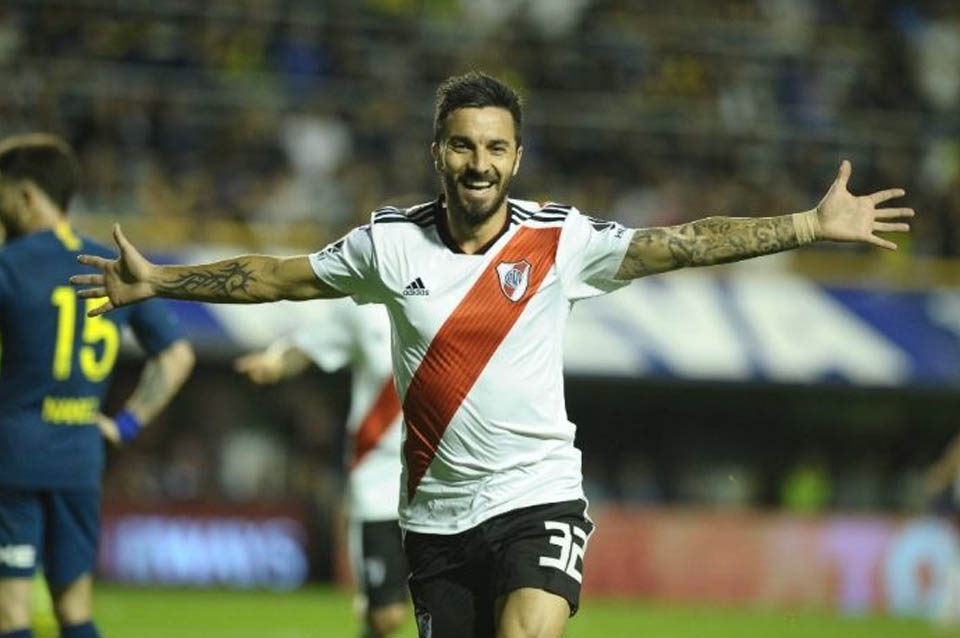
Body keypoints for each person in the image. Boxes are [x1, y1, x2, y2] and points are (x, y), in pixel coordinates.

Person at [70, 71, 914, 638]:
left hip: (537, 497)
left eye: (496, 147)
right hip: (434, 519)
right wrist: (161, 281)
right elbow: (277, 279)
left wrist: (808, 225)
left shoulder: (560, 241)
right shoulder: (388, 245)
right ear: (437, 151)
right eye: (464, 146)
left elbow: (683, 242)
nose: (480, 164)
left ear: (517, 156)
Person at [0, 133, 195, 638]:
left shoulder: (9, 265)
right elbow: (177, 355)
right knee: (75, 610)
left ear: (26, 195)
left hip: (12, 458)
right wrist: (126, 424)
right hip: (81, 457)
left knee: (10, 612)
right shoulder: (107, 265)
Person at [234, 299, 408, 637]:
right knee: (385, 616)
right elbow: (309, 343)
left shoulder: (456, 298)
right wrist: (277, 362)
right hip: (379, 477)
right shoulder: (365, 307)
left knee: (455, 605)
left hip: (443, 474)